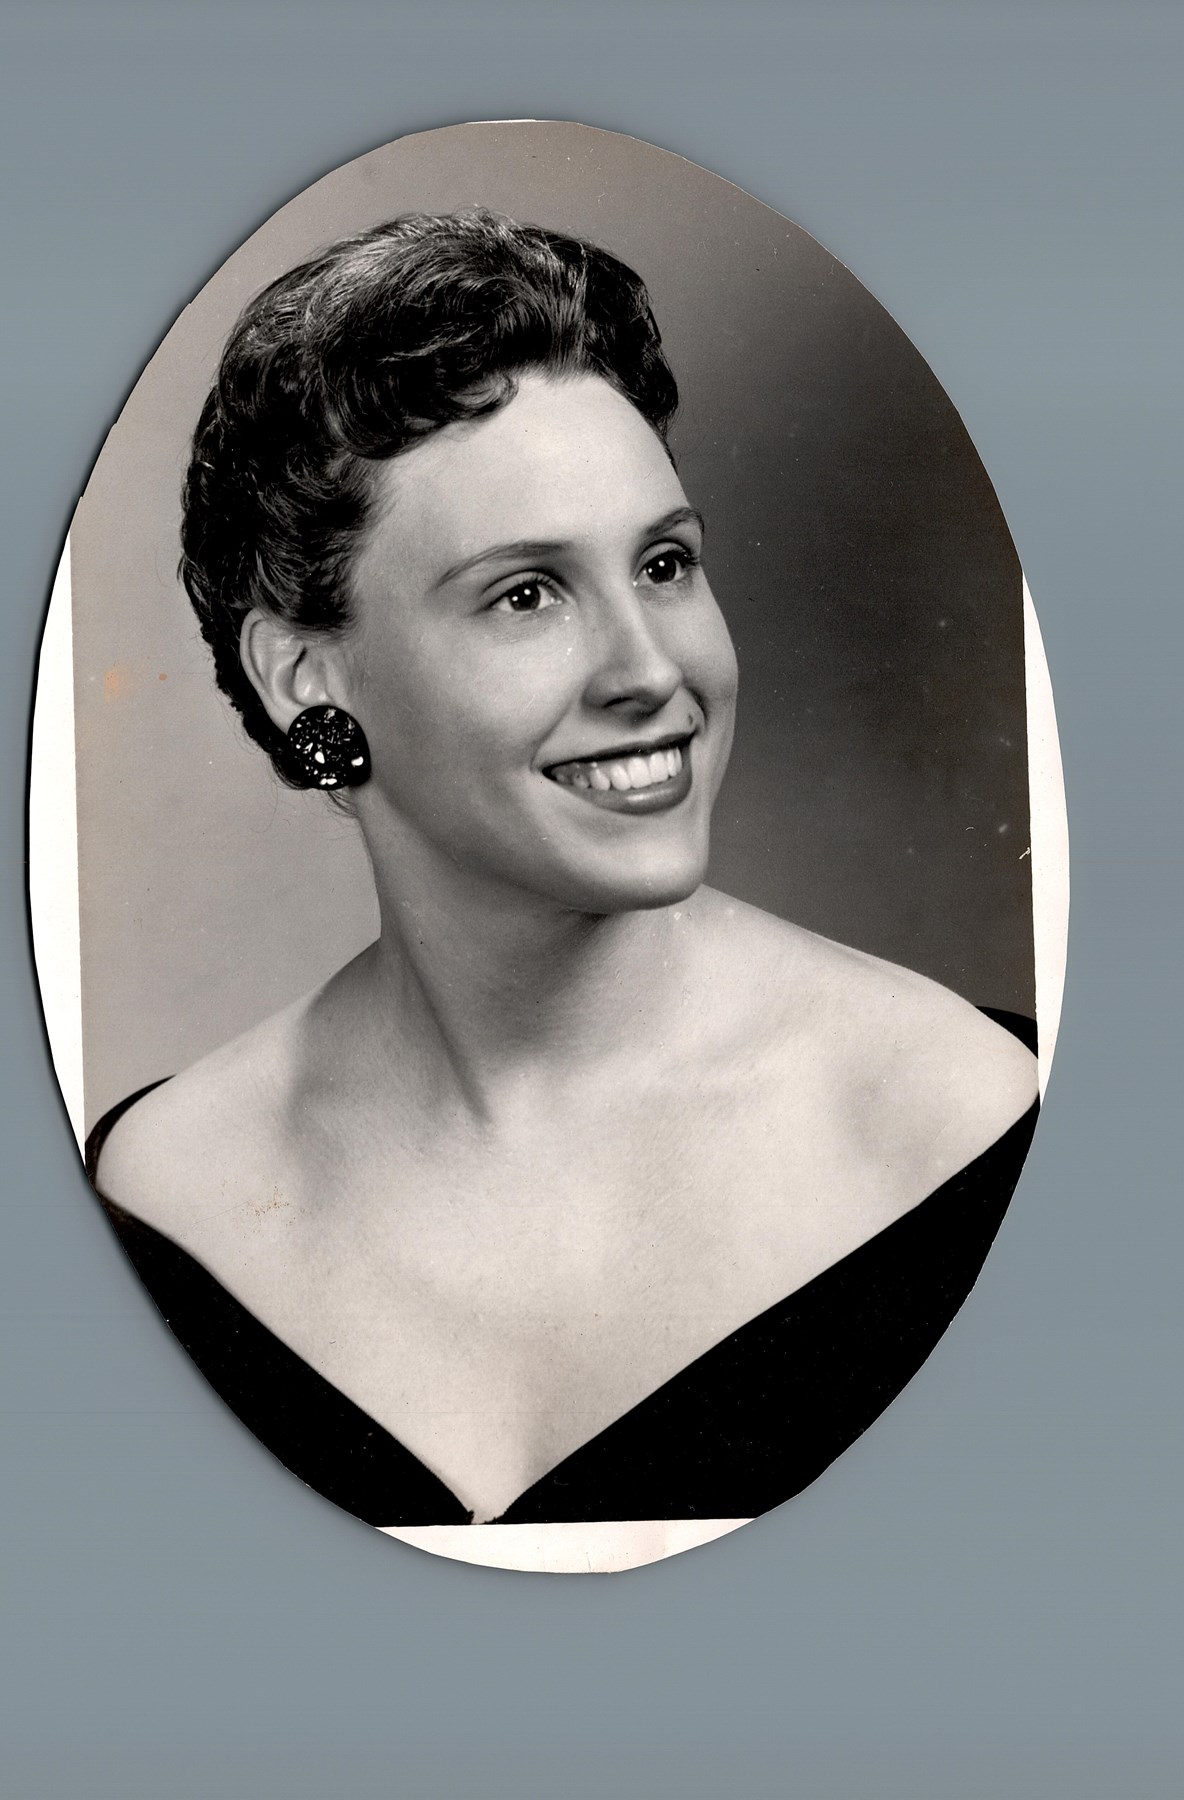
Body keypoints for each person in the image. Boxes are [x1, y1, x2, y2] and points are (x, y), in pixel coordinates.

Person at [87, 211, 1039, 1532]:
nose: (650, 670)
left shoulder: (975, 1135)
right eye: (526, 593)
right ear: (303, 675)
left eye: (665, 565)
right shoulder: (152, 1195)